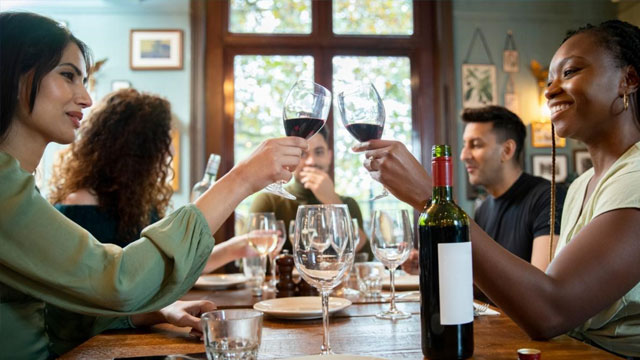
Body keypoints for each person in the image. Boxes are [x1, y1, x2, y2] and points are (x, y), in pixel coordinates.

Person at [0, 12, 306, 359]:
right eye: (68, 76)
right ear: (12, 72)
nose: (85, 98)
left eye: (83, 80)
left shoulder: (19, 184)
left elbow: (50, 317)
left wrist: (153, 312)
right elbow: (118, 280)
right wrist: (242, 179)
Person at [355, 20, 640, 358]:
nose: (549, 90)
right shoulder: (581, 185)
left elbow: (551, 311)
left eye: (570, 71)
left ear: (628, 79)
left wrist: (433, 200)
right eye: (549, 80)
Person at [45, 89, 260, 355]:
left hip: (134, 343)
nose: (170, 149)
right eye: (165, 139)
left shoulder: (135, 205)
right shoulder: (77, 209)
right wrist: (161, 311)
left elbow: (165, 268)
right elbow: (83, 314)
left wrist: (234, 249)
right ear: (140, 149)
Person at [403, 105, 565, 276]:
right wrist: (430, 266)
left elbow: (540, 287)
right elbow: (480, 277)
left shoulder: (548, 198)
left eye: (476, 145)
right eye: (465, 145)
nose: (464, 155)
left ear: (507, 150)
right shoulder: (484, 207)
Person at [250, 125, 369, 254]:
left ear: (329, 156)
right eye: (302, 154)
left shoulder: (347, 204)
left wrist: (332, 201)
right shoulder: (269, 202)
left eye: (319, 152)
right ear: (290, 158)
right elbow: (249, 260)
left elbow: (365, 256)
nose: (311, 161)